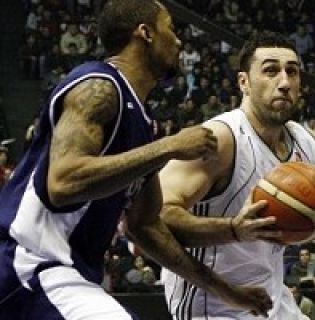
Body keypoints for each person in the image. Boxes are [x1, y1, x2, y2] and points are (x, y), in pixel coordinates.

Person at [0, 1, 273, 319]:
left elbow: (146, 227)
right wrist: (168, 147)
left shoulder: (143, 125)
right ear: (145, 33)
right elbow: (63, 183)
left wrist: (227, 291)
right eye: (170, 28)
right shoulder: (99, 86)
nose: (179, 40)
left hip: (62, 275)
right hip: (28, 262)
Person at [159, 31, 315, 319]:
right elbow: (155, 219)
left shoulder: (308, 143)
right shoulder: (220, 140)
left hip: (271, 297)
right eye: (271, 70)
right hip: (213, 303)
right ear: (243, 82)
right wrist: (233, 229)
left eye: (292, 72)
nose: (285, 82)